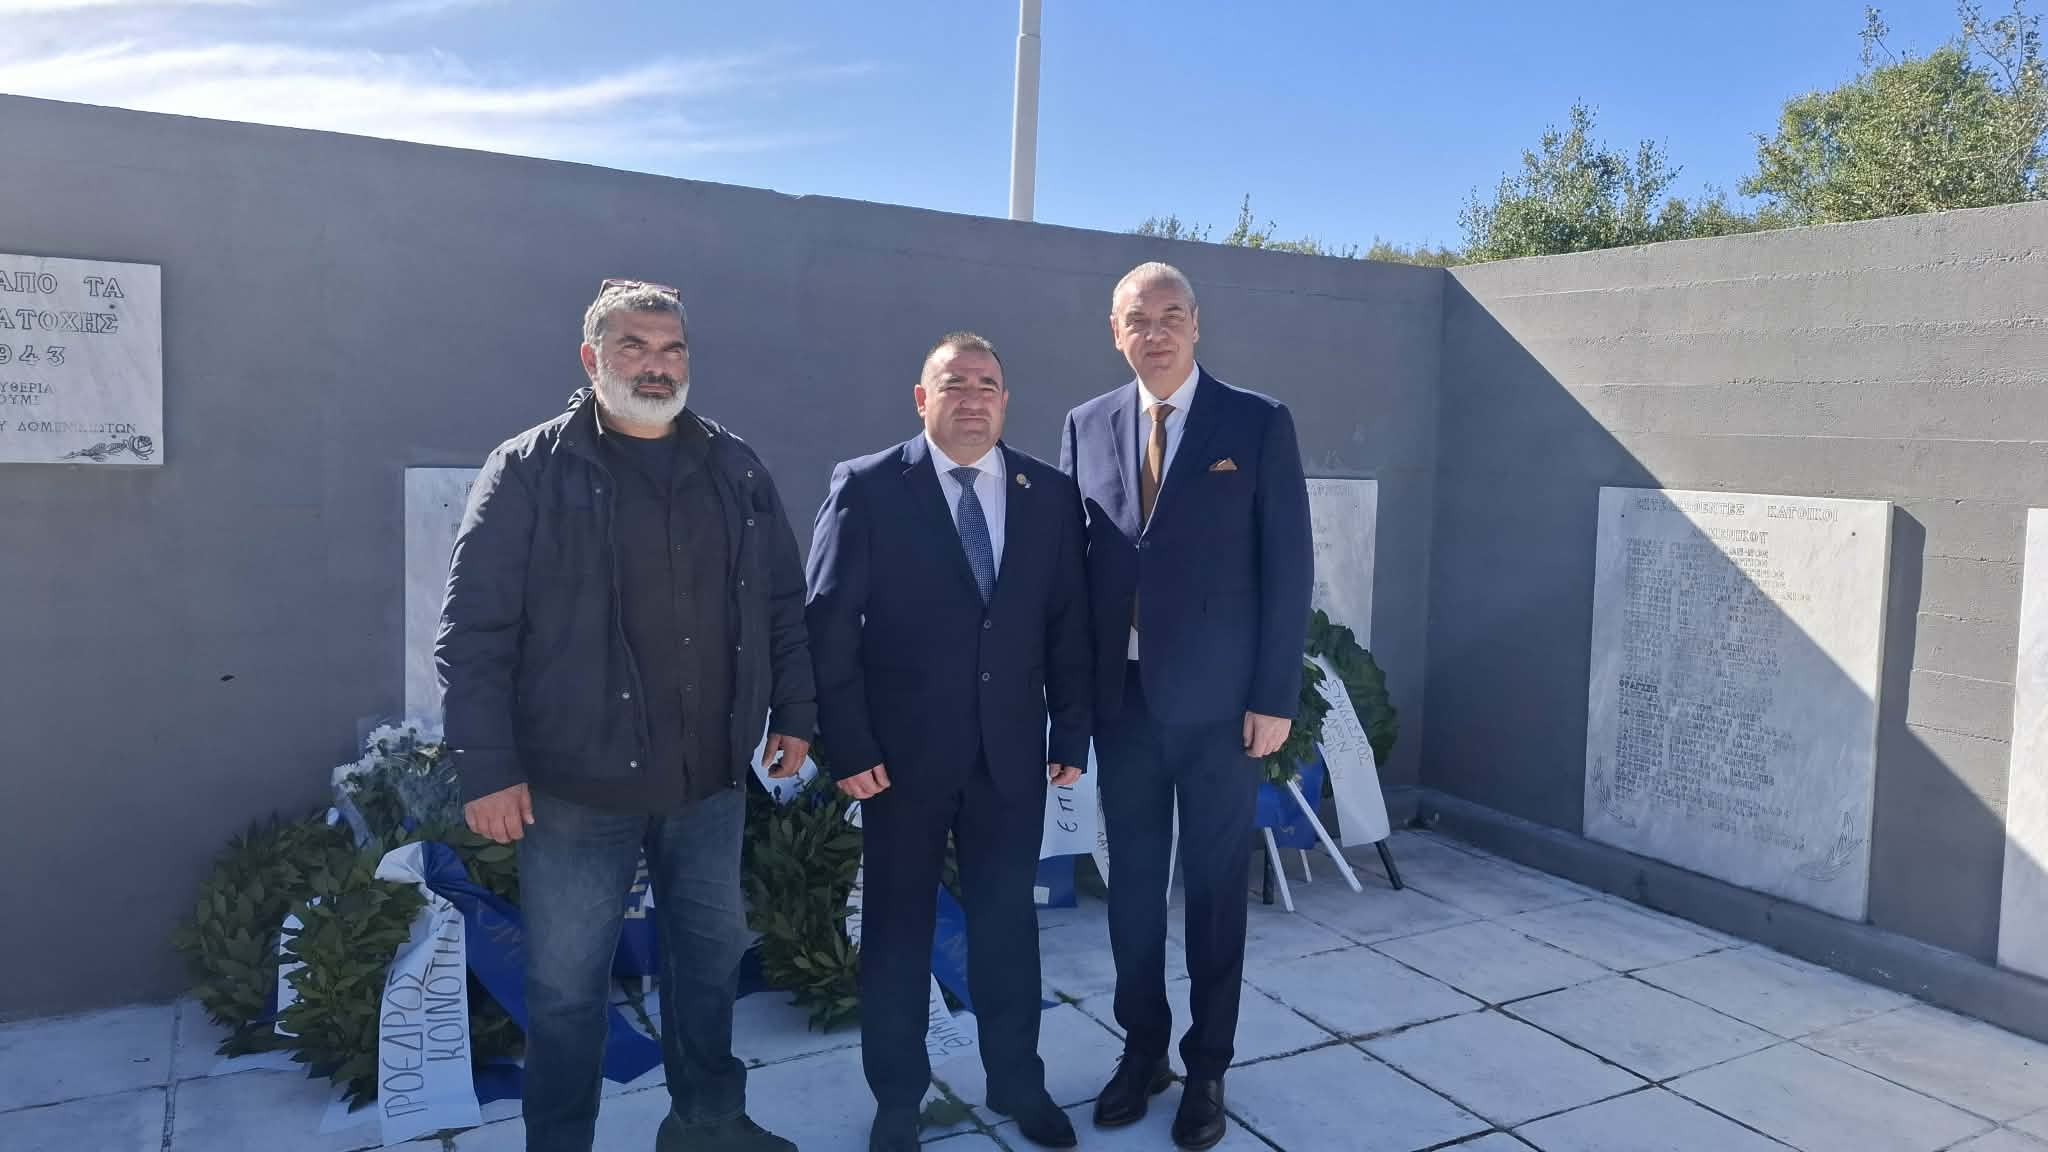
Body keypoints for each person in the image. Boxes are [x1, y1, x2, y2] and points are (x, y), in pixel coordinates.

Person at [437, 279, 815, 1152]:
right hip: (576, 786)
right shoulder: (529, 469)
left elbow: (782, 603)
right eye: (634, 347)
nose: (656, 365)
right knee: (567, 988)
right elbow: (475, 628)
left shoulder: (735, 466)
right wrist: (487, 767)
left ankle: (707, 1125)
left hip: (708, 779)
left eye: (672, 348)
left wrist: (794, 710)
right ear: (591, 358)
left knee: (709, 965)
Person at [805, 332, 1092, 1152]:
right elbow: (829, 625)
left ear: (1006, 402)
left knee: (1009, 929)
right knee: (898, 933)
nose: (972, 398)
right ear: (921, 398)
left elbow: (1067, 621)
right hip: (898, 762)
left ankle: (1018, 1081)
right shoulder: (867, 486)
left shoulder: (1046, 492)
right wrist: (849, 745)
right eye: (954, 383)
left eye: (987, 385)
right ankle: (898, 1099)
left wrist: (1071, 727)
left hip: (1011, 755)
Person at [1059, 263, 1312, 1150]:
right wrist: (1071, 707)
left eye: (1172, 316)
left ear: (1197, 325)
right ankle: (1143, 1051)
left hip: (1221, 713)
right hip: (1124, 704)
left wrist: (1273, 697)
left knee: (1212, 893)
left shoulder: (1257, 421)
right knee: (1131, 890)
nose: (1156, 332)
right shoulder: (1086, 425)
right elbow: (1071, 574)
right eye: (1139, 319)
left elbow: (1288, 566)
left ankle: (1208, 1065)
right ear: (1116, 332)